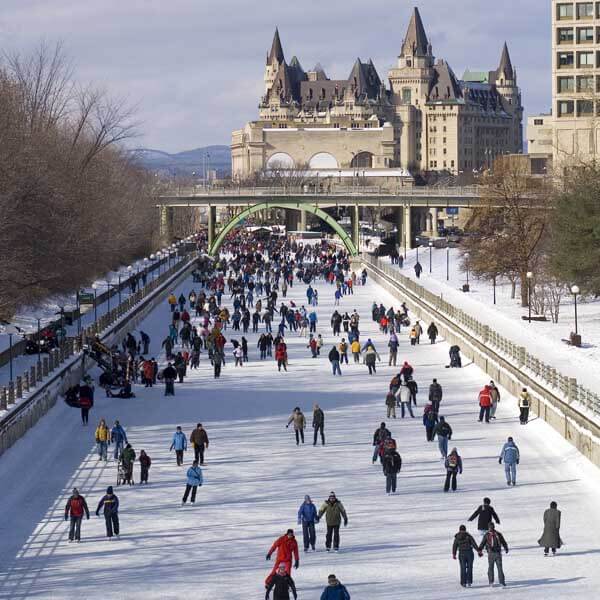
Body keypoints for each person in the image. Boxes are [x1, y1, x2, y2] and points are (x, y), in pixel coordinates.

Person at [477, 523, 509, 588]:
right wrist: (506, 548)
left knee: (493, 568)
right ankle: (497, 582)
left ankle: (495, 582)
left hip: (493, 553)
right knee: (496, 568)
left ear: (490, 528)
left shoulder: (491, 534)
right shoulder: (496, 534)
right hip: (495, 553)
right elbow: (503, 542)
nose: (490, 528)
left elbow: (483, 543)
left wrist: (479, 550)